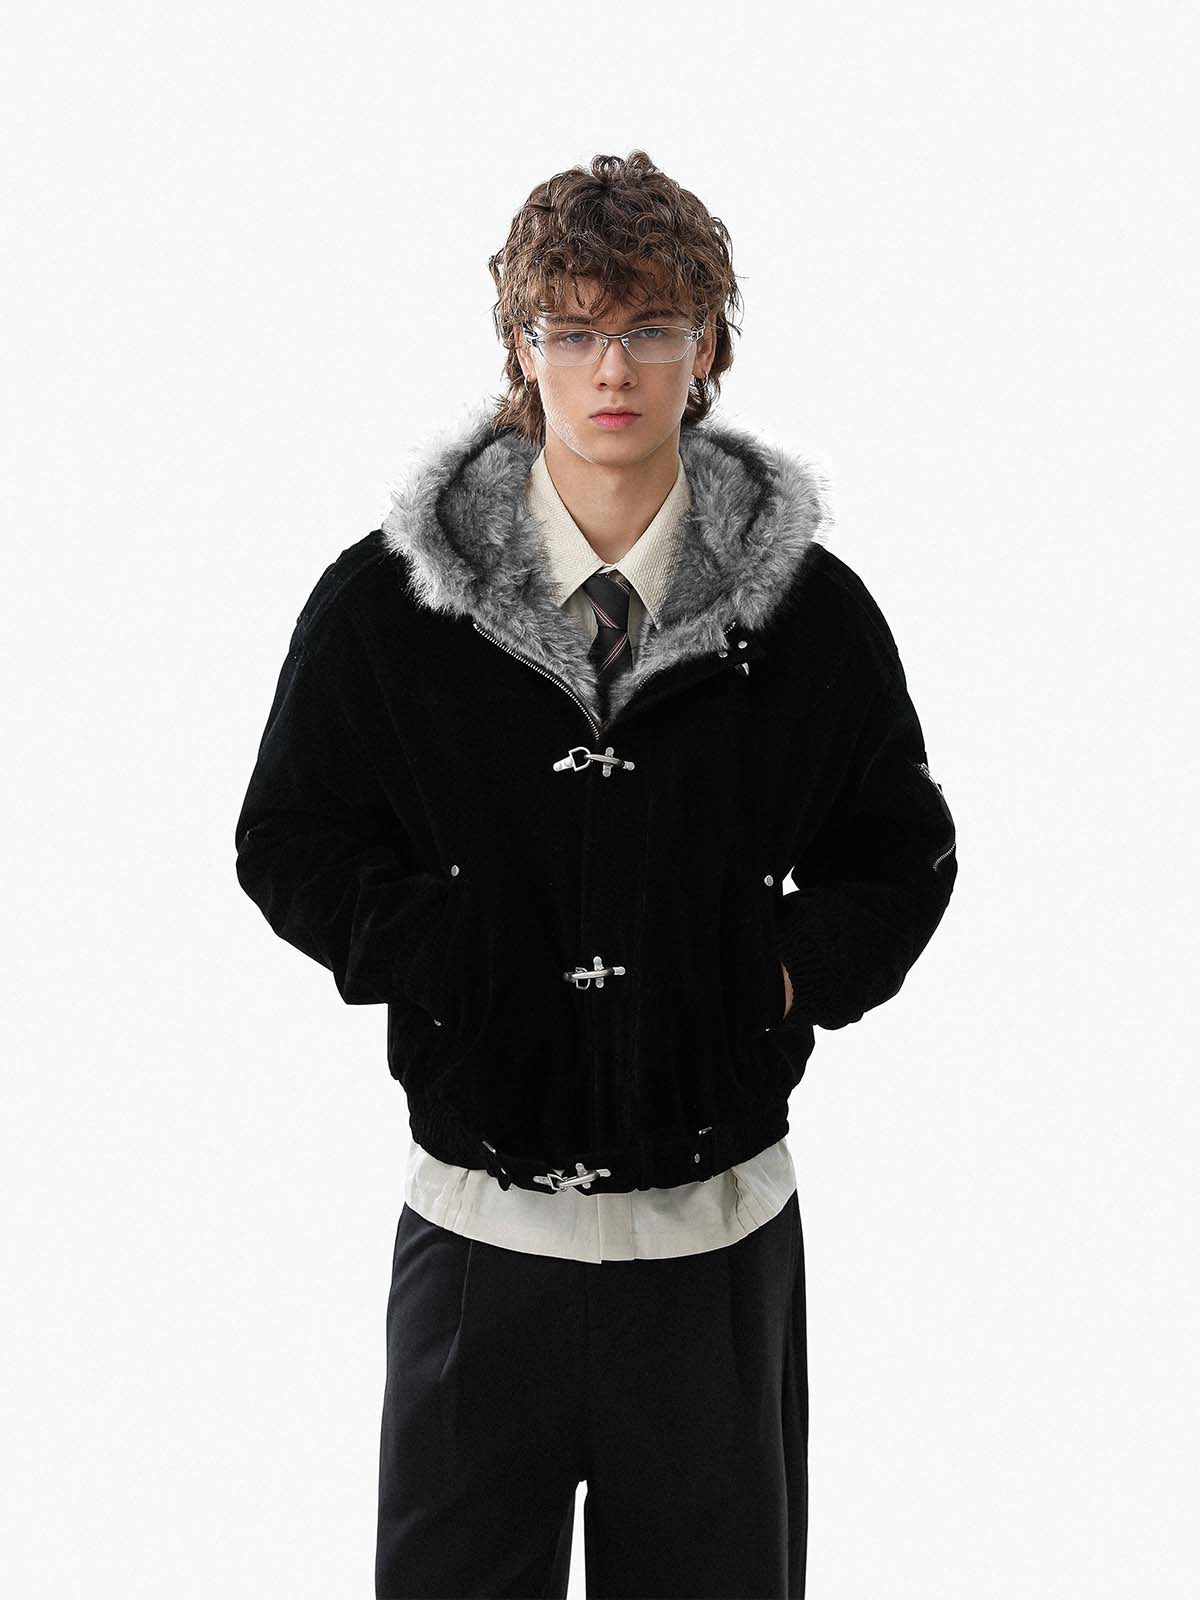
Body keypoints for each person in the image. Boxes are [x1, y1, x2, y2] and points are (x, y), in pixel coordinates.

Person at [233, 149, 958, 1600]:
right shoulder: (390, 604)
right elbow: (288, 836)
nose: (610, 367)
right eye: (571, 329)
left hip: (717, 1246)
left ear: (709, 346)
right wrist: (443, 951)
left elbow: (902, 853)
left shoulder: (812, 619)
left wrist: (775, 973)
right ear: (522, 347)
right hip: (477, 1244)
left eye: (650, 326)